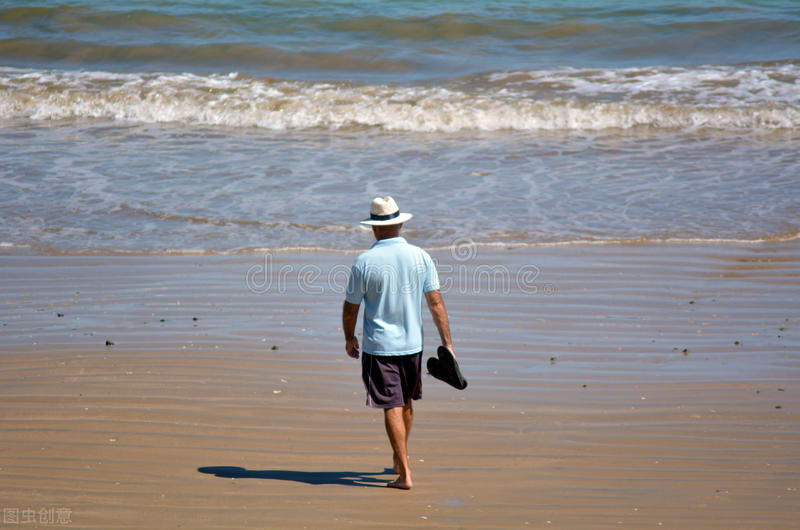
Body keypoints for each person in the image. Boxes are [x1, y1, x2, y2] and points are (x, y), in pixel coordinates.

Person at [342, 196, 454, 490]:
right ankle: (398, 456)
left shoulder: (364, 262)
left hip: (380, 348)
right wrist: (447, 344)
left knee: (390, 405)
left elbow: (351, 307)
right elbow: (436, 303)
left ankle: (404, 474)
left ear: (373, 229)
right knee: (404, 402)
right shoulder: (420, 256)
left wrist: (349, 337)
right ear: (400, 223)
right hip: (413, 345)